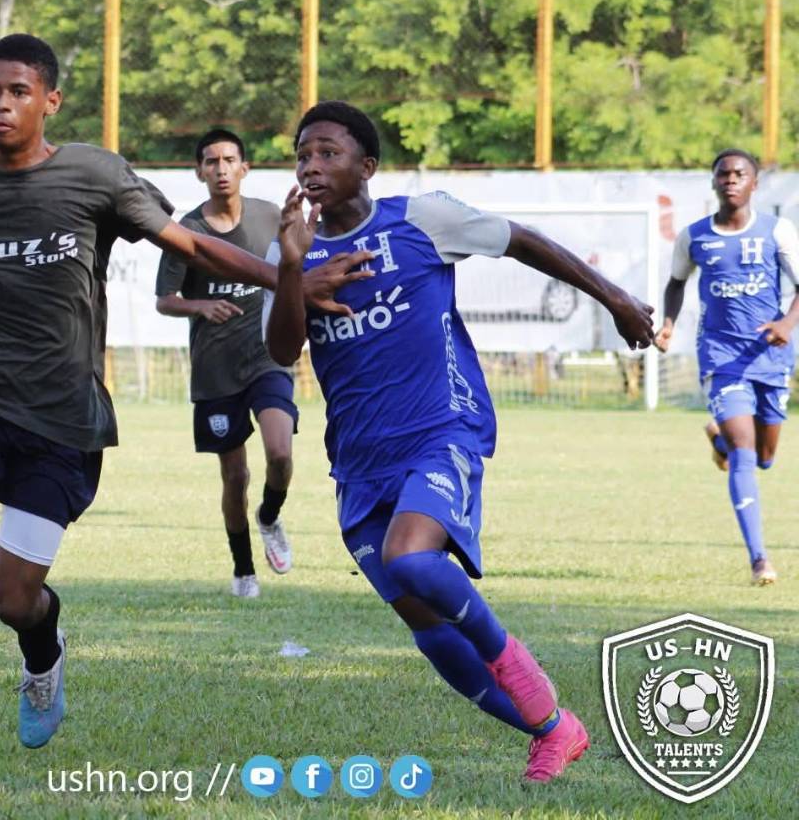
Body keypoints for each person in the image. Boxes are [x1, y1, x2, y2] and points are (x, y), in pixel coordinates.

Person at [0, 35, 367, 774]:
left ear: (50, 101)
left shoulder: (94, 175)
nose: (0, 106)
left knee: (14, 599)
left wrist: (285, 279)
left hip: (64, 415)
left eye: (17, 93)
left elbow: (189, 244)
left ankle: (44, 654)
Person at [264, 101, 655, 783]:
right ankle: (554, 730)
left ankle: (518, 667)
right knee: (424, 621)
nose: (312, 166)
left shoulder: (422, 219)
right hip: (358, 459)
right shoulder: (291, 246)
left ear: (368, 167)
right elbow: (280, 347)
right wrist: (293, 268)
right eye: (302, 155)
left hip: (442, 428)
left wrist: (615, 297)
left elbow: (522, 239)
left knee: (413, 563)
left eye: (328, 152)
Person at [155, 129, 298, 598]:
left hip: (266, 361)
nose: (220, 169)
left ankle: (270, 516)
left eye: (229, 159)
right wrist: (199, 307)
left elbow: (293, 275)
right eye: (211, 161)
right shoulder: (187, 231)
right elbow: (164, 301)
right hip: (215, 371)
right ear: (199, 171)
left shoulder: (268, 217)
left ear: (244, 167)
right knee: (234, 476)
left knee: (280, 454)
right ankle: (244, 569)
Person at [654, 149, 797, 587]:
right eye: (723, 174)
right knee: (744, 454)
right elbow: (676, 282)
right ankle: (759, 560)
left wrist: (787, 324)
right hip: (721, 358)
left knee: (766, 458)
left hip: (770, 357)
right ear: (714, 182)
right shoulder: (695, 237)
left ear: (754, 184)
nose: (731, 180)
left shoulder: (778, 232)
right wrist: (669, 325)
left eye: (740, 174)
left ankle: (721, 447)